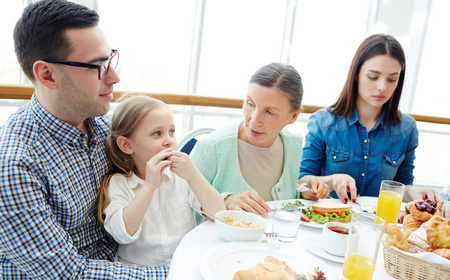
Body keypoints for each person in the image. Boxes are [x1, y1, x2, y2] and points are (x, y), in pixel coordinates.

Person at [0, 1, 166, 280]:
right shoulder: (13, 165)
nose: (114, 77)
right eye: (98, 66)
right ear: (47, 75)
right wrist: (178, 276)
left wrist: (224, 200)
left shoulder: (103, 126)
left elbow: (155, 176)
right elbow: (70, 279)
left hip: (121, 270)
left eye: (111, 59)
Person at [298, 34, 443, 210]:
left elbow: (400, 186)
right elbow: (302, 183)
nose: (382, 87)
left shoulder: (407, 129)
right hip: (330, 223)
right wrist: (333, 179)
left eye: (392, 79)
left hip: (379, 225)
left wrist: (412, 192)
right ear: (357, 74)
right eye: (373, 77)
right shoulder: (323, 122)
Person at [96, 95, 225, 267]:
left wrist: (193, 175)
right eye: (157, 133)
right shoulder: (119, 183)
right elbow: (122, 233)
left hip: (184, 264)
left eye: (171, 132)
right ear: (127, 145)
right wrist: (149, 186)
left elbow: (218, 214)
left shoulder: (180, 177)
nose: (169, 141)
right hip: (140, 274)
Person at [191, 62, 330, 217]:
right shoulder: (211, 147)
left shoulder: (293, 144)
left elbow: (280, 200)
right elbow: (180, 204)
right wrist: (225, 201)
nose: (254, 119)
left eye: (269, 112)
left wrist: (304, 192)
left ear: (293, 116)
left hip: (272, 240)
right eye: (250, 104)